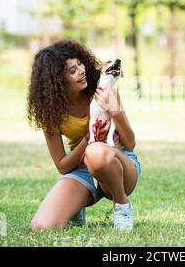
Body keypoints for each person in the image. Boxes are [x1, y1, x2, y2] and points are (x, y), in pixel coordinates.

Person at [26, 40, 141, 231]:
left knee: (96, 152)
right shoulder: (51, 111)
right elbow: (62, 166)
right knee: (41, 226)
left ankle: (122, 207)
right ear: (57, 81)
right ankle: (76, 207)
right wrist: (87, 138)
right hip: (82, 169)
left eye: (80, 64)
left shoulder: (101, 88)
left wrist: (114, 109)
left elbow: (130, 143)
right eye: (72, 71)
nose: (81, 70)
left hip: (119, 164)